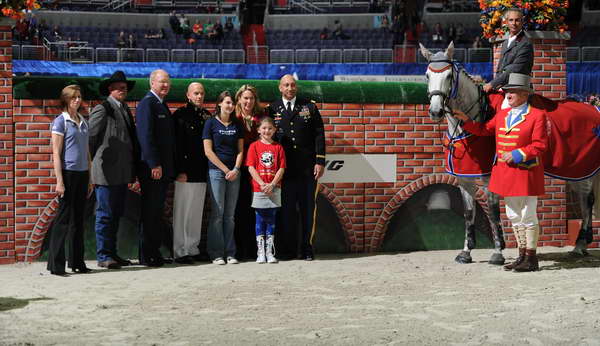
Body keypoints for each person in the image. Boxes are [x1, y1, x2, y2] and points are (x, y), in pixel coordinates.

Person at [452, 73, 548, 272]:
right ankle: (522, 255)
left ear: (524, 94)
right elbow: (485, 129)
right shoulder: (503, 115)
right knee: (513, 215)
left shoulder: (537, 115)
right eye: (507, 91)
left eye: (511, 91)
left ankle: (531, 257)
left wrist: (519, 154)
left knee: (528, 214)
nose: (507, 94)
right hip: (505, 172)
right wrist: (466, 121)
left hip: (526, 172)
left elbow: (540, 145)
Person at [267, 75, 326, 261]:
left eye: (293, 85)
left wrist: (320, 161)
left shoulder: (309, 106)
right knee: (287, 211)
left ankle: (307, 248)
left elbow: (319, 134)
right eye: (286, 85)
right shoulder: (272, 108)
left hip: (307, 168)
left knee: (308, 210)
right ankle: (288, 250)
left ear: (296, 87)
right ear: (280, 87)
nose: (290, 88)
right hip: (284, 170)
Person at [89, 71, 138, 270]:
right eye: (119, 86)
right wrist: (95, 163)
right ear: (110, 89)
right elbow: (90, 138)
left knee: (116, 214)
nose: (123, 89)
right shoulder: (103, 109)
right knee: (105, 214)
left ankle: (112, 253)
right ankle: (103, 255)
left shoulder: (124, 108)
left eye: (124, 86)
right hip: (106, 171)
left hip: (121, 172)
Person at [47, 85, 92, 276]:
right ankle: (56, 265)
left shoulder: (83, 121)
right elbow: (56, 153)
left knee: (78, 220)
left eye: (79, 97)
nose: (77, 100)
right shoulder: (60, 122)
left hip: (82, 174)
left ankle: (77, 262)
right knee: (63, 219)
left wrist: (90, 177)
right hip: (68, 173)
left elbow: (87, 152)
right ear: (66, 99)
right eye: (73, 97)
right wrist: (59, 181)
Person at [136, 69, 176, 267]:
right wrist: (154, 164)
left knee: (156, 212)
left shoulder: (161, 105)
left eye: (167, 82)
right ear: (152, 83)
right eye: (161, 82)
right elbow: (145, 136)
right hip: (153, 169)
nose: (165, 85)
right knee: (150, 212)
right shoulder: (147, 104)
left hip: (162, 169)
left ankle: (153, 252)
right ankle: (147, 254)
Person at [202, 91, 244, 265]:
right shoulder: (210, 123)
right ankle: (216, 253)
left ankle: (230, 252)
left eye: (232, 103)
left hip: (234, 173)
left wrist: (235, 169)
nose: (230, 106)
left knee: (230, 215)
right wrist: (225, 169)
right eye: (227, 102)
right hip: (216, 173)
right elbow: (208, 151)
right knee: (218, 214)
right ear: (219, 104)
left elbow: (241, 150)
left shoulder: (237, 124)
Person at [172, 82, 211, 264]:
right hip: (185, 172)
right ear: (188, 95)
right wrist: (179, 170)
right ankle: (180, 250)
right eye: (196, 93)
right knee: (182, 212)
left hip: (201, 170)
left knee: (196, 213)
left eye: (201, 93)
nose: (199, 96)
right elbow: (176, 146)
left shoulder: (206, 115)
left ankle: (193, 248)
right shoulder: (180, 115)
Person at [246, 117, 286, 264]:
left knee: (271, 218)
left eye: (270, 128)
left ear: (274, 130)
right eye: (264, 128)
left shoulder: (278, 147)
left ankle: (269, 251)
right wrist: (263, 184)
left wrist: (272, 184)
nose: (267, 131)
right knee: (260, 218)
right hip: (259, 188)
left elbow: (281, 168)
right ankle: (260, 251)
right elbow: (251, 167)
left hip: (274, 188)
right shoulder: (254, 146)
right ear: (258, 130)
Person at [233, 85, 263, 260]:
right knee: (239, 210)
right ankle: (239, 249)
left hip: (257, 171)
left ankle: (254, 249)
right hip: (239, 169)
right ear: (239, 99)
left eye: (251, 98)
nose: (248, 101)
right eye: (245, 98)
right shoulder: (234, 118)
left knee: (255, 209)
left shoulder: (260, 119)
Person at [483, 8, 533, 93]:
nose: (514, 23)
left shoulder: (525, 43)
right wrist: (496, 85)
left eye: (517, 20)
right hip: (504, 87)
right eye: (511, 20)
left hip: (519, 91)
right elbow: (500, 68)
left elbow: (514, 69)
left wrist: (492, 84)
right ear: (506, 22)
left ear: (522, 22)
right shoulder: (506, 42)